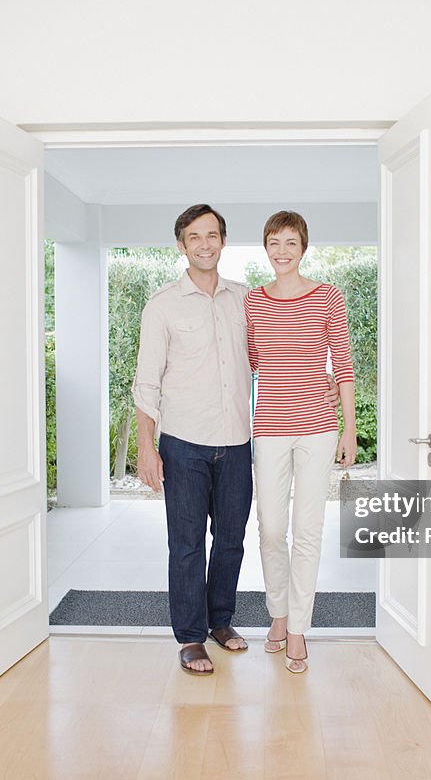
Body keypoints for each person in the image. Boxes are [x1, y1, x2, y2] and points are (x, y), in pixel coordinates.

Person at [132, 204, 252, 675]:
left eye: (214, 235)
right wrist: (147, 447)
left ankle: (220, 621)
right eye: (195, 236)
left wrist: (317, 380)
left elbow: (275, 355)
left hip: (237, 441)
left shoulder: (244, 300)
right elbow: (146, 383)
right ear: (181, 245)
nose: (206, 243)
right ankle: (189, 636)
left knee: (231, 540)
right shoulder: (162, 305)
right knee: (185, 543)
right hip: (183, 442)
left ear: (223, 241)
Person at [245, 210, 356, 674]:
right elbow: (251, 362)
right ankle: (277, 611)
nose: (282, 251)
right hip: (269, 427)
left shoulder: (328, 297)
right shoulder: (253, 301)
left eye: (291, 242)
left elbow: (344, 366)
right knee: (271, 529)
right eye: (275, 242)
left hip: (316, 428)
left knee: (308, 531)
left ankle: (296, 629)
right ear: (266, 248)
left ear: (304, 247)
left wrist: (348, 427)